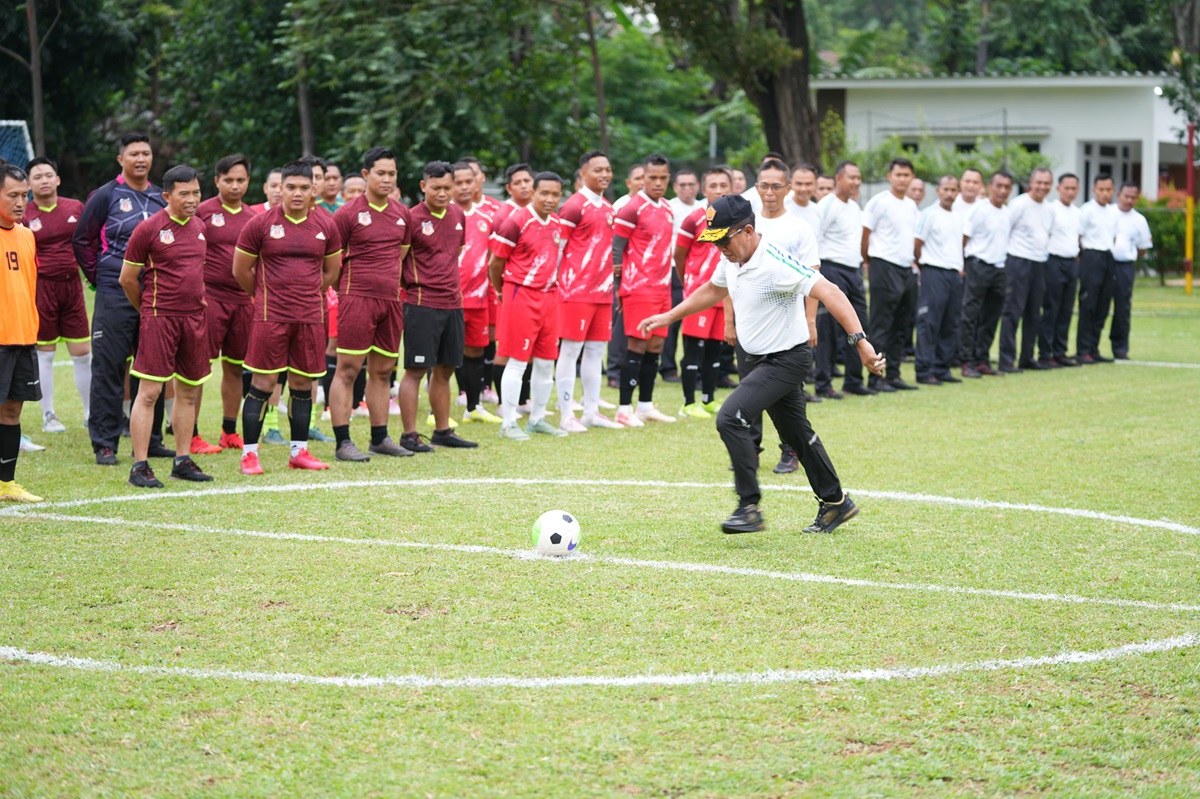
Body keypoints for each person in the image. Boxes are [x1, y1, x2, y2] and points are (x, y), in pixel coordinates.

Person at [637, 195, 885, 535]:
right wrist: (669, 316)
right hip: (753, 358)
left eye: (724, 240)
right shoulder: (732, 258)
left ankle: (748, 506)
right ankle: (836, 503)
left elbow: (831, 292)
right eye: (714, 241)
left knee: (730, 418)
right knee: (797, 434)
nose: (720, 248)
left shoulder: (776, 263)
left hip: (786, 359)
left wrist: (860, 342)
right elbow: (712, 289)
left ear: (748, 231)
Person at [232, 161, 343, 475]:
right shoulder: (260, 223)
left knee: (302, 385)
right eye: (290, 187)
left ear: (313, 191)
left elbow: (332, 271)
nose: (297, 193)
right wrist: (264, 294)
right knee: (263, 384)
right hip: (271, 317)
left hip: (309, 317)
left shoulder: (326, 225)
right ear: (279, 188)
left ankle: (299, 452)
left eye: (304, 188)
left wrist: (307, 292)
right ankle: (250, 455)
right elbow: (240, 270)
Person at [73, 132, 171, 466]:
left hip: (154, 295)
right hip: (115, 293)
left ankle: (152, 439)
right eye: (133, 154)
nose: (141, 159)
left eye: (145, 153)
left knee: (152, 368)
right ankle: (105, 443)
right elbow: (82, 240)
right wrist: (99, 278)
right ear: (121, 160)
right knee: (109, 367)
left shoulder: (161, 197)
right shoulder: (105, 195)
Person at [118, 165, 215, 488]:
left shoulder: (201, 226)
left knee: (188, 391)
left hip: (195, 320)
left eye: (196, 192)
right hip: (160, 319)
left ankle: (182, 459)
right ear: (167, 196)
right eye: (184, 193)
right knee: (149, 392)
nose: (192, 199)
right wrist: (149, 310)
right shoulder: (148, 229)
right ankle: (140, 465)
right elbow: (127, 279)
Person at [329, 147, 415, 461]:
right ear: (366, 175)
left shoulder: (402, 213)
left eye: (392, 173)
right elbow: (332, 262)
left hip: (391, 302)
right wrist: (350, 292)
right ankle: (343, 442)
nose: (387, 179)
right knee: (348, 370)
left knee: (383, 372)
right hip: (356, 300)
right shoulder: (347, 213)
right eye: (381, 173)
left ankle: (380, 438)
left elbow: (400, 257)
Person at [397, 161, 477, 451]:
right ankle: (409, 435)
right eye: (436, 188)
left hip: (453, 304)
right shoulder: (411, 218)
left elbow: (454, 253)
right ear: (423, 187)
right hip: (422, 304)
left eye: (447, 187)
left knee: (445, 370)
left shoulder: (458, 214)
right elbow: (400, 261)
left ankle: (442, 430)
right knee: (416, 371)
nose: (442, 193)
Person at [489, 172, 568, 440]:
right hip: (520, 294)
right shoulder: (516, 222)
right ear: (532, 193)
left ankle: (537, 418)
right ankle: (508, 422)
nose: (549, 199)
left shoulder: (557, 222)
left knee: (546, 361)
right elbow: (495, 264)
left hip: (549, 297)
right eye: (544, 193)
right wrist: (502, 290)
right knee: (518, 360)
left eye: (555, 194)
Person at [194, 154, 258, 453]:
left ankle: (229, 431)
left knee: (235, 368)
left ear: (248, 182)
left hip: (243, 301)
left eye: (241, 180)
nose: (235, 185)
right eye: (228, 180)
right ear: (216, 180)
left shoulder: (253, 218)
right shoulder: (202, 211)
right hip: (210, 300)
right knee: (197, 368)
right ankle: (191, 434)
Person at [555, 150, 621, 432]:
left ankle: (591, 411)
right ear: (583, 173)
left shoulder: (608, 207)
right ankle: (566, 413)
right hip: (575, 292)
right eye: (598, 170)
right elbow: (557, 250)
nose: (604, 174)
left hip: (602, 292)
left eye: (607, 169)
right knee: (570, 351)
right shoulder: (572, 206)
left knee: (596, 351)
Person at [24, 157, 91, 435]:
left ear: (58, 179)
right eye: (37, 176)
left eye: (48, 175)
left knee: (83, 353)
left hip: (73, 288)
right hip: (42, 290)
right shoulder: (24, 214)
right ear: (29, 184)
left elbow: (89, 242)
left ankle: (90, 413)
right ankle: (49, 414)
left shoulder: (76, 208)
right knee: (45, 354)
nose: (44, 180)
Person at [613, 153, 676, 426]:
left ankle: (645, 406)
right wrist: (618, 288)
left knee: (657, 345)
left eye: (663, 178)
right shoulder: (630, 208)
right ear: (643, 177)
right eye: (653, 178)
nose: (658, 182)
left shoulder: (667, 208)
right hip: (638, 288)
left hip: (662, 288)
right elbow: (616, 249)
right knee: (637, 344)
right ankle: (624, 408)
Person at [0, 163, 45, 502]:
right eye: (12, 195)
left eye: (24, 195)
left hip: (22, 337)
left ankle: (7, 484)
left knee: (12, 412)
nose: (20, 202)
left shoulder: (27, 235)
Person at [674, 167, 732, 418]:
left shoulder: (736, 218)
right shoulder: (693, 218)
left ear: (730, 188)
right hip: (699, 294)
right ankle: (688, 403)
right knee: (693, 350)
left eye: (723, 185)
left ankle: (708, 399)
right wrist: (688, 281)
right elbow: (679, 254)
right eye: (713, 185)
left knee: (714, 350)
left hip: (724, 295)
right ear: (704, 189)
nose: (718, 190)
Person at [813, 160, 871, 400]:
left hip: (853, 270)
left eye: (859, 178)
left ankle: (854, 380)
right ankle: (823, 382)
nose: (856, 182)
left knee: (858, 323)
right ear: (838, 179)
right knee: (827, 329)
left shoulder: (855, 207)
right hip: (832, 269)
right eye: (852, 177)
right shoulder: (827, 205)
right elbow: (815, 238)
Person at [862, 158, 920, 392]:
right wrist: (868, 261)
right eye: (899, 174)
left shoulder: (911, 205)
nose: (903, 179)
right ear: (890, 176)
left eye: (907, 175)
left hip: (906, 268)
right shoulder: (879, 202)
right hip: (883, 266)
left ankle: (893, 374)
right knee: (881, 325)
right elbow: (865, 234)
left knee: (902, 324)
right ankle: (876, 378)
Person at [451, 161, 502, 424]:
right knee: (440, 357)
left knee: (475, 353)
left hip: (479, 299)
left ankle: (473, 407)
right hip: (446, 301)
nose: (463, 187)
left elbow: (495, 258)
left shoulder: (488, 218)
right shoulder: (440, 215)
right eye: (457, 182)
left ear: (476, 182)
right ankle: (435, 412)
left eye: (467, 181)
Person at [998, 167, 1054, 372]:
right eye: (1039, 182)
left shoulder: (1049, 209)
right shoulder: (1019, 204)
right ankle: (1006, 359)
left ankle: (1027, 357)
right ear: (1031, 182)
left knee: (1034, 314)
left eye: (1046, 183)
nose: (1042, 187)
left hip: (1039, 263)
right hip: (1018, 262)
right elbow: (1005, 232)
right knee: (1013, 312)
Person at [959, 170, 1014, 378]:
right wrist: (963, 264)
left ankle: (982, 359)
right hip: (978, 265)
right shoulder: (979, 210)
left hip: (999, 268)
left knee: (991, 316)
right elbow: (964, 239)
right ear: (990, 186)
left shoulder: (1007, 212)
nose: (1002, 190)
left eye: (1006, 187)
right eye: (998, 186)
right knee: (970, 315)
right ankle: (966, 360)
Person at [913, 175, 965, 385]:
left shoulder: (958, 216)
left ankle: (942, 368)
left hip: (953, 274)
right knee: (929, 322)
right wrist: (925, 267)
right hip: (934, 271)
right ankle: (924, 370)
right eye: (946, 189)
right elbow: (917, 244)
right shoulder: (929, 214)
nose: (950, 194)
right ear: (938, 190)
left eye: (954, 190)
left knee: (950, 323)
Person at [661, 169, 705, 383]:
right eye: (682, 185)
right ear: (675, 187)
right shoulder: (669, 208)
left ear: (698, 186)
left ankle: (693, 366)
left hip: (697, 273)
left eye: (691, 184)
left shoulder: (703, 208)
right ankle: (668, 368)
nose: (687, 188)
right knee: (672, 320)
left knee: (694, 320)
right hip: (673, 270)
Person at [1038, 173, 1081, 368]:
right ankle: (1045, 353)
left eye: (1074, 188)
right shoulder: (1051, 210)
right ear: (1058, 189)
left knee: (1066, 309)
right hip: (1053, 262)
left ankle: (1060, 351)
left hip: (1071, 263)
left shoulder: (1077, 212)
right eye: (1067, 188)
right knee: (1051, 308)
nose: (1070, 192)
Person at [1075, 174, 1117, 364]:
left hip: (1108, 256)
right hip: (1091, 256)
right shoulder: (1087, 210)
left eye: (1108, 190)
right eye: (1101, 190)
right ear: (1094, 190)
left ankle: (1094, 348)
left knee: (1103, 305)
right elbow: (1079, 237)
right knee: (1089, 305)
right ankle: (1083, 350)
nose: (1105, 194)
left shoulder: (1113, 211)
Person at [1109, 183, 1152, 359]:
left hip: (1125, 266)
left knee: (1123, 308)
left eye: (1133, 197)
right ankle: (1089, 348)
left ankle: (1120, 348)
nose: (1129, 200)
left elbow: (1143, 248)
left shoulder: (1139, 220)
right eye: (1126, 196)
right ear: (1118, 195)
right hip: (1105, 264)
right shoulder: (1108, 212)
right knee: (1095, 306)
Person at [785, 163, 820, 233]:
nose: (803, 189)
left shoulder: (818, 211)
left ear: (816, 184)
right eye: (799, 184)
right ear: (791, 183)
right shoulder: (782, 207)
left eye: (808, 184)